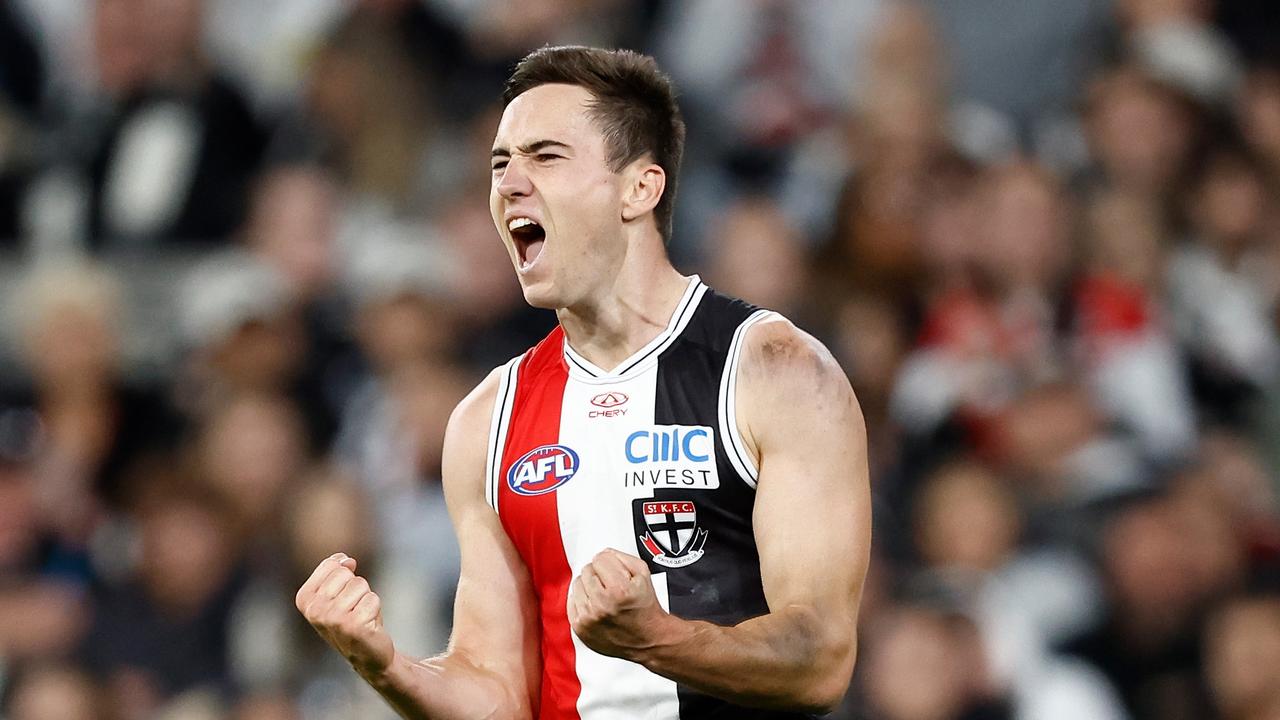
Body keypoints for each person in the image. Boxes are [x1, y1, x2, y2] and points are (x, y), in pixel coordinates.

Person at [295, 45, 872, 719]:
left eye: (545, 156)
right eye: (500, 163)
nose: (509, 183)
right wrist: (385, 664)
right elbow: (497, 691)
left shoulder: (774, 372)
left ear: (640, 188)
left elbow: (819, 659)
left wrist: (659, 640)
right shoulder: (489, 420)